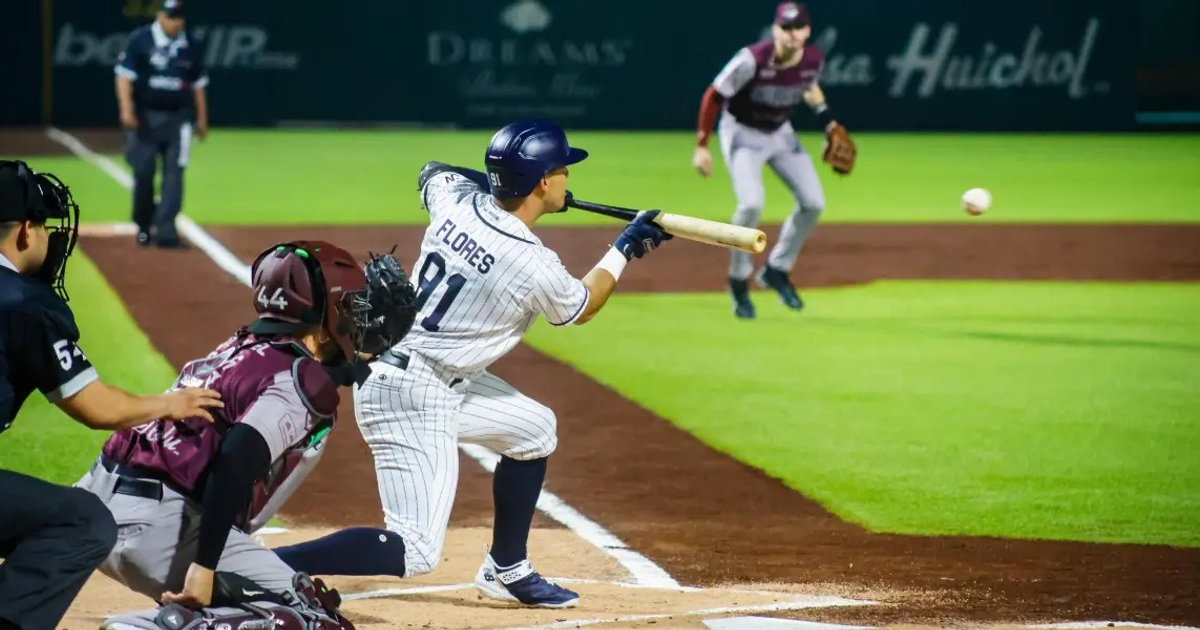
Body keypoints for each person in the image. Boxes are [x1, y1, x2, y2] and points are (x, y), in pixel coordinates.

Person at [270, 119, 672, 609]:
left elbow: (433, 172)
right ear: (544, 182)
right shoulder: (531, 262)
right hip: (409, 394)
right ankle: (264, 563)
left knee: (535, 430)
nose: (569, 174)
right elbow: (582, 305)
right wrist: (625, 247)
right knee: (416, 549)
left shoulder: (456, 202)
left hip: (429, 377)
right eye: (564, 167)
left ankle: (507, 569)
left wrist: (501, 186)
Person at [75, 240, 417, 630]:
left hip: (97, 510)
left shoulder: (239, 347)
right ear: (324, 314)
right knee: (313, 620)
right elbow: (237, 458)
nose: (356, 317)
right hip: (157, 532)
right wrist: (203, 568)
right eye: (349, 307)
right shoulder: (303, 382)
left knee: (248, 592)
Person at [0, 159, 222, 630]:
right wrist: (171, 403)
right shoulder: (21, 303)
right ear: (24, 231)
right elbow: (97, 407)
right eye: (43, 224)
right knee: (82, 521)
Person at [692, 1, 849, 319]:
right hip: (742, 133)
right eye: (786, 28)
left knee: (813, 202)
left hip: (780, 132)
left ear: (807, 30)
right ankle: (739, 279)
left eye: (798, 28)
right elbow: (714, 95)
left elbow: (809, 88)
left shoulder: (813, 59)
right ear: (776, 30)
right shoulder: (752, 60)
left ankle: (777, 269)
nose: (792, 35)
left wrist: (827, 122)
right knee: (750, 205)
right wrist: (702, 145)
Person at [114, 0, 209, 249]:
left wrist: (202, 118)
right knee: (143, 172)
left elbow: (199, 84)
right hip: (145, 117)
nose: (174, 21)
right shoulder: (141, 40)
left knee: (174, 175)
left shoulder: (190, 45)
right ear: (160, 16)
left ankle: (166, 230)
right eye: (169, 16)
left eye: (178, 17)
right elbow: (124, 77)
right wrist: (127, 109)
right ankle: (144, 224)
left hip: (179, 119)